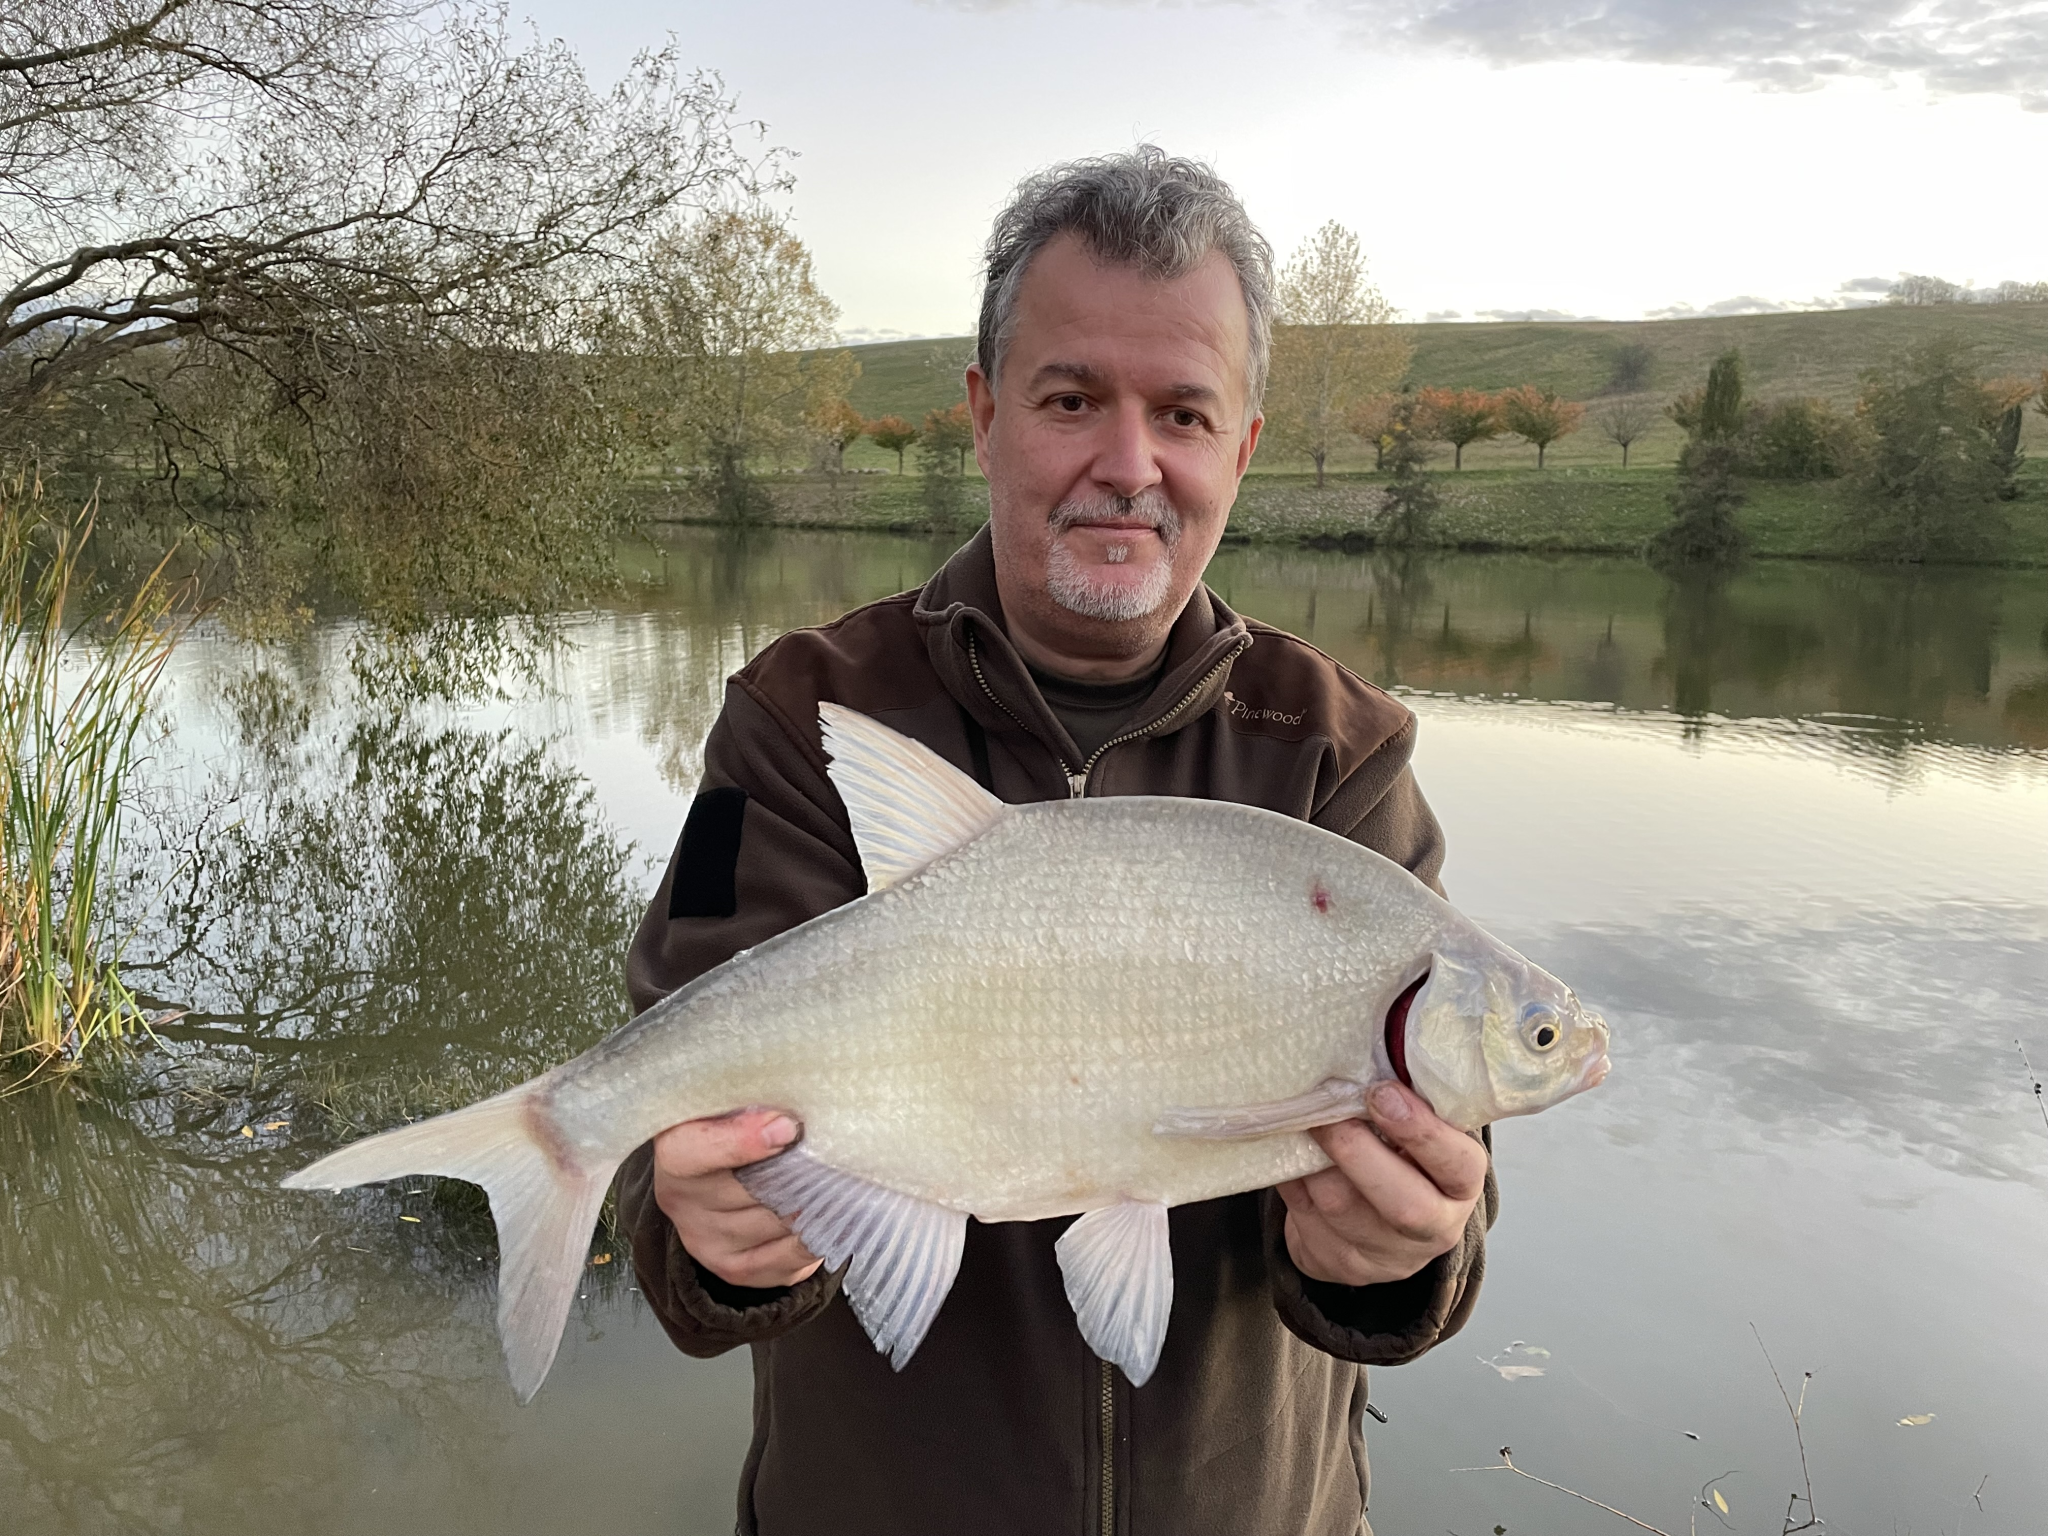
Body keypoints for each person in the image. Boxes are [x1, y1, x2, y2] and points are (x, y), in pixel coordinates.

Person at [616, 147, 1495, 1536]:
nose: (1128, 467)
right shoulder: (789, 721)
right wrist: (707, 1240)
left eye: (1184, 414)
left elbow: (1449, 1178)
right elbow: (666, 1072)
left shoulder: (1343, 754)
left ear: (1242, 448)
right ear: (984, 415)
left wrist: (1403, 1253)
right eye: (1073, 399)